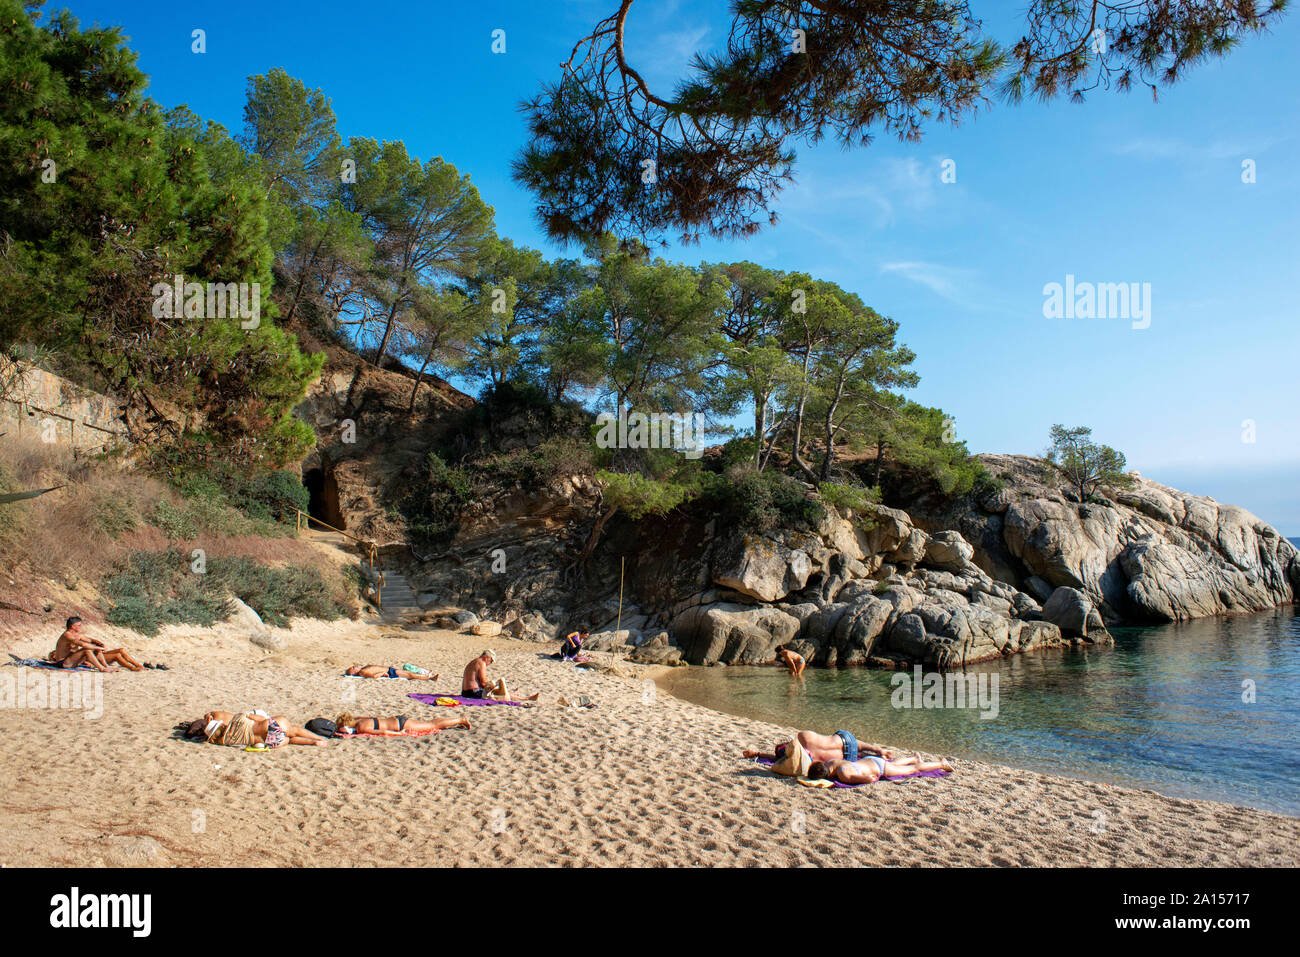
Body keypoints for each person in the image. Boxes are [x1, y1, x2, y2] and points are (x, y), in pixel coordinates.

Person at [743, 730, 894, 765]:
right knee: (841, 741)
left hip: (848, 758)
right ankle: (878, 751)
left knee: (846, 750)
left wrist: (757, 753)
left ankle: (875, 756)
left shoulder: (807, 761)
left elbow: (775, 759)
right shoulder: (803, 736)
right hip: (847, 740)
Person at [49, 617, 144, 672]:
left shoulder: (77, 634)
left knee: (95, 648)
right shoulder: (67, 635)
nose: (80, 627)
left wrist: (99, 644)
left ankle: (106, 667)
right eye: (79, 625)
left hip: (72, 661)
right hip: (63, 663)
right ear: (72, 626)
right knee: (87, 650)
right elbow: (84, 645)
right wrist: (97, 647)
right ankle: (102, 668)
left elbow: (89, 640)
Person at [199, 710, 329, 748]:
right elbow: (259, 718)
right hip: (267, 726)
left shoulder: (228, 741)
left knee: (289, 739)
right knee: (293, 730)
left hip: (269, 742)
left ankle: (313, 743)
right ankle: (319, 738)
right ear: (221, 725)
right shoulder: (238, 720)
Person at [808, 753, 954, 784]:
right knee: (894, 765)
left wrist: (875, 777)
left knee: (913, 769)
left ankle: (942, 764)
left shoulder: (844, 775)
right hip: (869, 761)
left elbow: (870, 778)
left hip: (879, 768)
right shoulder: (832, 761)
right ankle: (913, 757)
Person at [461, 650, 539, 702]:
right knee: (500, 693)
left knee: (499, 690)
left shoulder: (475, 661)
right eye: (490, 661)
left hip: (465, 692)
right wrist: (494, 685)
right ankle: (526, 698)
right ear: (486, 658)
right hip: (473, 692)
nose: (489, 663)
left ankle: (513, 694)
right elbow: (483, 683)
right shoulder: (481, 663)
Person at [333, 712, 470, 734]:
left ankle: (460, 719)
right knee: (431, 723)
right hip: (398, 719)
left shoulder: (362, 727)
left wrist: (401, 735)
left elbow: (385, 732)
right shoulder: (360, 719)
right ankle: (457, 722)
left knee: (433, 725)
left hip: (401, 726)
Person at [345, 664, 439, 681]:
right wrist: (382, 674)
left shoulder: (363, 669)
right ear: (353, 673)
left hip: (389, 670)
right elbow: (373, 676)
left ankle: (427, 675)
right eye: (352, 668)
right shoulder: (362, 672)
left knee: (408, 673)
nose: (354, 666)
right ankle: (429, 677)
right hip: (389, 673)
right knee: (409, 675)